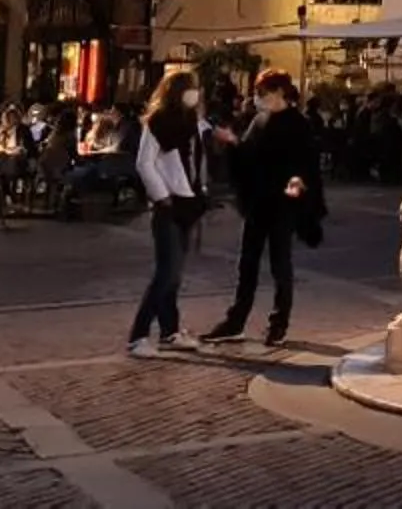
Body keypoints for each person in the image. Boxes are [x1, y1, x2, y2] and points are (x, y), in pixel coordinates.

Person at [205, 70, 317, 346]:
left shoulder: (298, 124)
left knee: (280, 264)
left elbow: (305, 165)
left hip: (282, 205)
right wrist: (232, 143)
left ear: (279, 92)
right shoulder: (260, 120)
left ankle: (278, 324)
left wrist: (294, 195)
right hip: (257, 202)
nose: (258, 98)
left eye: (263, 92)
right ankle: (236, 321)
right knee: (247, 263)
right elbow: (247, 155)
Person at [128, 68, 213, 359]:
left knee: (175, 274)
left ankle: (170, 330)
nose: (196, 93)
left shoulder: (195, 121)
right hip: (169, 204)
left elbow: (200, 154)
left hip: (190, 201)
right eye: (191, 88)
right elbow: (144, 163)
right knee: (166, 271)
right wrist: (162, 195)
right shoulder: (158, 123)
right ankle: (138, 335)